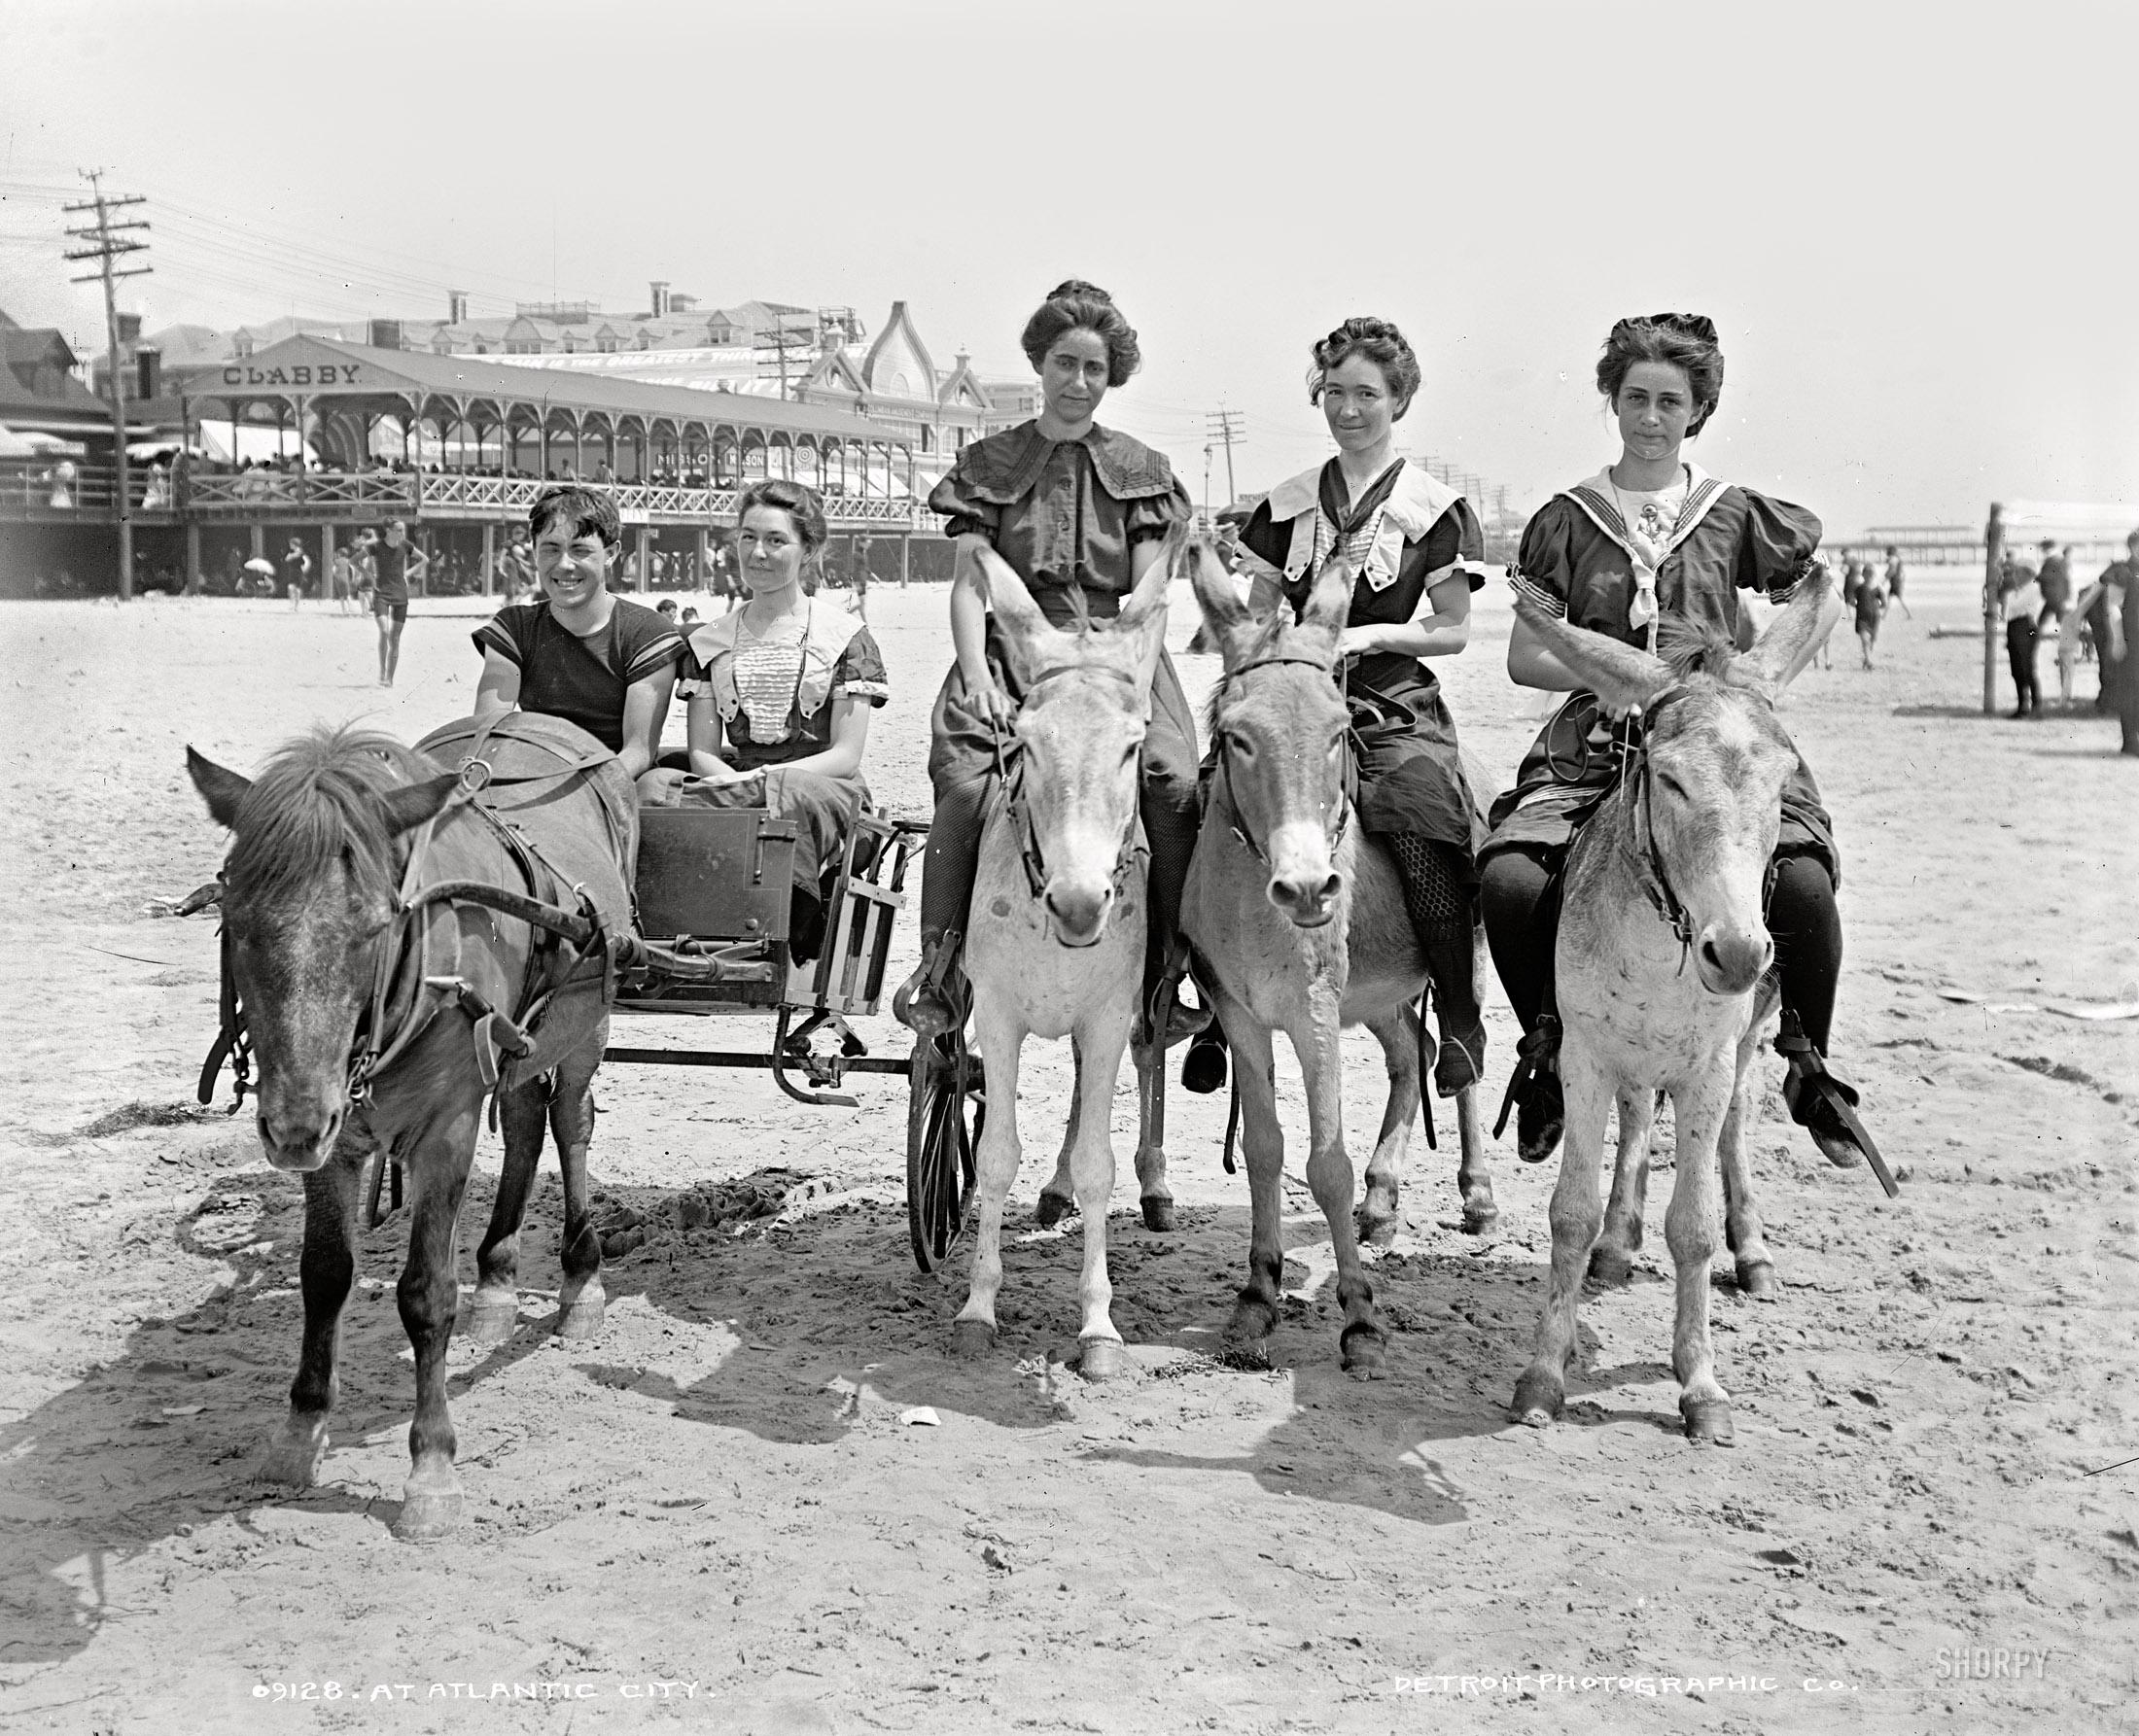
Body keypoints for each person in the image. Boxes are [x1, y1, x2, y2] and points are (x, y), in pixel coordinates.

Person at [1479, 311, 1865, 1173]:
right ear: (1611, 402)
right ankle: (1543, 1050)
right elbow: (1522, 652)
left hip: (1713, 739)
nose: (1651, 417)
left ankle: (1808, 1060)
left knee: (1801, 880)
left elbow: (1820, 593)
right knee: (1508, 879)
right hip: (1596, 737)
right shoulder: (1566, 518)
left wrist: (1756, 686)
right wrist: (1605, 675)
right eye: (1635, 398)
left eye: (1670, 402)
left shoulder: (1733, 513)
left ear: (1699, 410)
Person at [897, 279, 1201, 1044]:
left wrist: (1131, 678)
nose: (1078, 383)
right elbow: (972, 584)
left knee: (1171, 781)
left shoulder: (1141, 469)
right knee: (967, 784)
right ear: (1040, 364)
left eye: (1095, 369)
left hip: (1116, 659)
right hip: (1011, 648)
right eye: (1065, 363)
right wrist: (973, 674)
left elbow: (1149, 597)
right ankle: (941, 967)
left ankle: (1167, 974)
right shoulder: (992, 463)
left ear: (1113, 375)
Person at [1210, 315, 1490, 1098]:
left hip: (1388, 698)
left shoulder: (1434, 509)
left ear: (1399, 399)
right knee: (1199, 797)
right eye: (1334, 392)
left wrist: (1364, 635)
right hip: (1289, 695)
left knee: (1424, 811)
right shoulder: (1288, 503)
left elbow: (1455, 629)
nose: (1349, 409)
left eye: (1367, 393)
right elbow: (1259, 605)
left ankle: (1460, 1013)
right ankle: (1198, 993)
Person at [646, 479, 889, 956]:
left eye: (776, 540)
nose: (758, 553)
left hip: (822, 787)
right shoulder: (712, 640)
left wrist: (768, 780)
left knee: (789, 793)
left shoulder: (844, 636)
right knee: (650, 789)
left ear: (809, 549)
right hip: (740, 781)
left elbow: (844, 755)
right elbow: (702, 753)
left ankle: (789, 926)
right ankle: (663, 926)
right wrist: (748, 783)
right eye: (748, 537)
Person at [472, 486, 683, 781]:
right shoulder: (515, 627)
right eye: (551, 549)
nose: (564, 564)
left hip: (614, 781)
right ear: (534, 552)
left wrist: (571, 794)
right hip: (531, 773)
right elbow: (488, 727)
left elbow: (638, 752)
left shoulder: (646, 632)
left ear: (611, 554)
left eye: (580, 550)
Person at [370, 519, 428, 687]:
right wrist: (369, 576)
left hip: (400, 594)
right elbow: (354, 561)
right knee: (384, 631)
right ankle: (382, 670)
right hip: (381, 593)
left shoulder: (406, 545)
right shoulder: (376, 546)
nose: (402, 533)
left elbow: (424, 559)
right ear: (388, 530)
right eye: (399, 530)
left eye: (403, 530)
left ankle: (389, 678)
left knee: (395, 639)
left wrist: (408, 573)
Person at [2099, 531, 2139, 754]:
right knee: (2132, 690)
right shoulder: (2122, 571)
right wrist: (2117, 639)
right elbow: (2112, 605)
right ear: (2133, 546)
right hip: (2132, 640)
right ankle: (2131, 742)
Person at [1999, 564, 2044, 717]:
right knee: (2017, 668)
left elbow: (2017, 606)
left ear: (2028, 574)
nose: (2015, 576)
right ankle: (2023, 705)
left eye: (2018, 573)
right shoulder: (2016, 591)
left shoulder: (2033, 589)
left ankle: (2035, 705)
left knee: (2026, 667)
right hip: (2015, 626)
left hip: (2026, 625)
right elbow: (2009, 609)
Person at [1853, 556, 1886, 669]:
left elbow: (1884, 603)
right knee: (1864, 640)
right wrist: (1855, 602)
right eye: (1867, 574)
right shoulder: (1859, 588)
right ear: (1863, 575)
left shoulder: (1878, 589)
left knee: (1872, 639)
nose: (1869, 576)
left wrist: (1878, 605)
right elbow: (1853, 600)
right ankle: (1868, 660)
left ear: (1874, 575)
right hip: (1862, 618)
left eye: (1871, 574)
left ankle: (1867, 658)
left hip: (1874, 618)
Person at [279, 537, 312, 609]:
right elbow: (287, 559)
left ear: (295, 544)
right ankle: (292, 604)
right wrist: (293, 556)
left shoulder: (301, 552)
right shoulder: (292, 552)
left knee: (296, 589)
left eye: (291, 544)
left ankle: (296, 605)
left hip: (298, 572)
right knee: (290, 588)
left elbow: (307, 561)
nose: (290, 545)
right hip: (292, 572)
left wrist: (305, 569)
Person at [1883, 544, 1911, 620]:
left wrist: (1885, 579)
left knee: (1897, 598)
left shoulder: (1893, 559)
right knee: (1891, 598)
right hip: (1897, 581)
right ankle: (1884, 616)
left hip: (1895, 581)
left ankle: (1909, 614)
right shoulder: (1896, 559)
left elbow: (1892, 570)